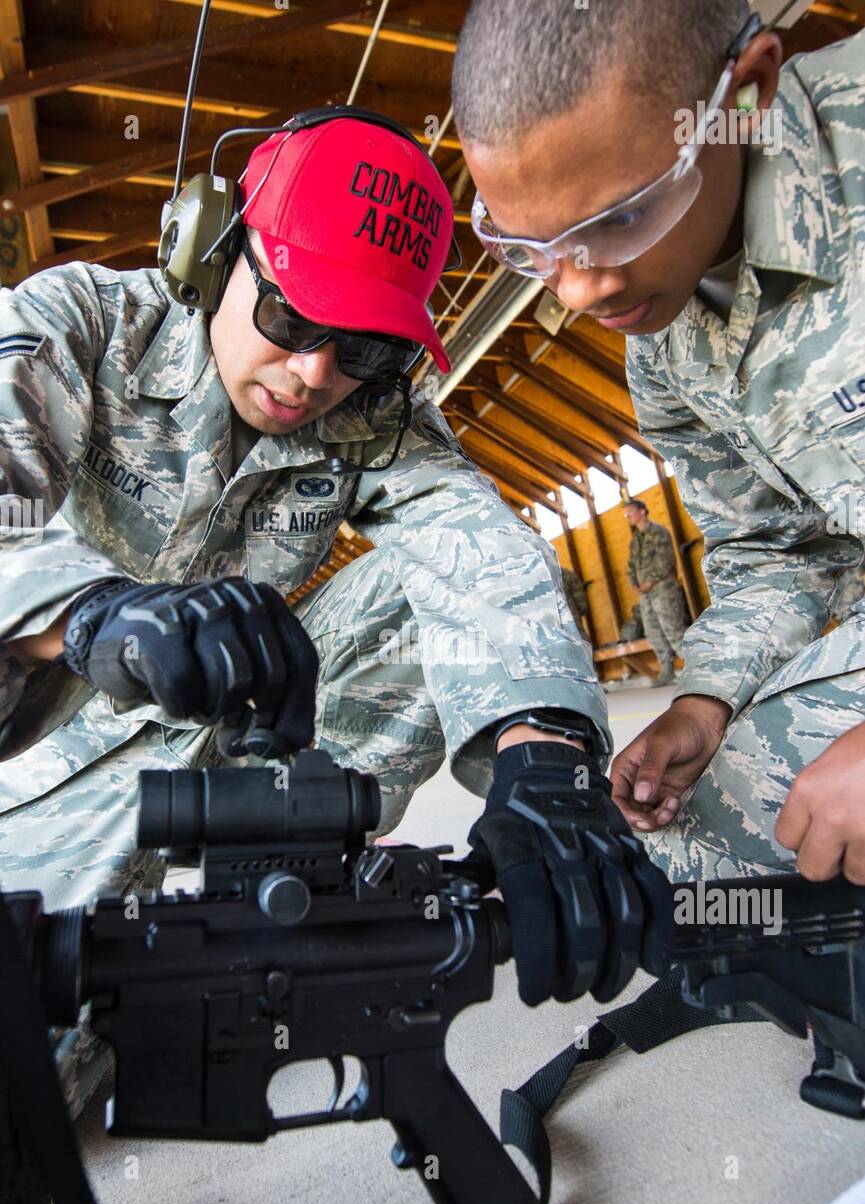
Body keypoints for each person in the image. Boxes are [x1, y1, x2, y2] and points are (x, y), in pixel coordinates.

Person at [0, 105, 658, 1061]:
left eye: (363, 348)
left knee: (419, 596)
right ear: (213, 249)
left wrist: (544, 755)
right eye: (291, 313)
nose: (313, 373)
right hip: (38, 765)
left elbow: (478, 550)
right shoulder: (81, 326)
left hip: (220, 761)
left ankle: (271, 915)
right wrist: (93, 616)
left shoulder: (373, 414)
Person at [454, 0, 865, 887]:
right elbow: (778, 550)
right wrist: (702, 702)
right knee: (695, 836)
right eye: (532, 249)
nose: (578, 289)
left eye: (618, 218)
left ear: (745, 92)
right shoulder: (669, 344)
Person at [623, 499, 689, 686]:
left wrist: (650, 580)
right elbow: (631, 566)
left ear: (642, 511)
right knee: (653, 631)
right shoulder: (635, 539)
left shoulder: (658, 532)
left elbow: (665, 560)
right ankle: (667, 670)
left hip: (663, 588)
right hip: (645, 594)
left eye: (631, 513)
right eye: (626, 515)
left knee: (673, 627)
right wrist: (634, 584)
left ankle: (694, 668)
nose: (628, 517)